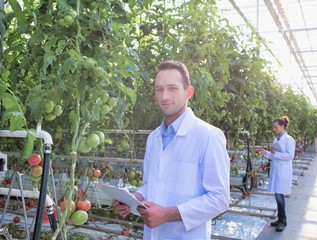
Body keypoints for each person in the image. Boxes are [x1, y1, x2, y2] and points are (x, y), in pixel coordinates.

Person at [113, 60, 230, 239]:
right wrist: (133, 199)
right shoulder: (154, 138)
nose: (164, 96)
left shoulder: (208, 136)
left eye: (172, 88)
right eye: (159, 89)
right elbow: (151, 185)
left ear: (188, 92)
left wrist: (167, 214)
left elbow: (219, 199)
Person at [259, 116, 295, 232]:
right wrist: (265, 153)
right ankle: (280, 219)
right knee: (277, 196)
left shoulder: (289, 140)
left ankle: (283, 221)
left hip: (283, 171)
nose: (274, 129)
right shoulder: (276, 140)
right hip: (276, 171)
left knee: (280, 197)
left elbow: (290, 156)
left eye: (276, 127)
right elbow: (273, 156)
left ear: (283, 126)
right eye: (274, 127)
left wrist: (277, 153)